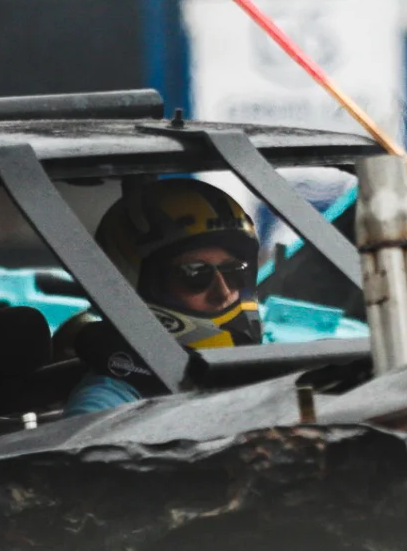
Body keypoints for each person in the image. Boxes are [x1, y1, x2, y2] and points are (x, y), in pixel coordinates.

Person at [62, 178, 263, 417]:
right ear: (135, 286)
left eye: (235, 272)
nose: (224, 292)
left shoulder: (266, 362)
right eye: (195, 274)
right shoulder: (106, 403)